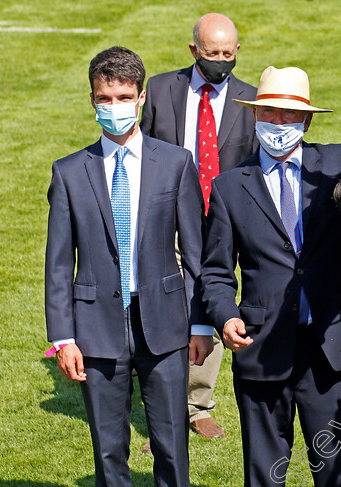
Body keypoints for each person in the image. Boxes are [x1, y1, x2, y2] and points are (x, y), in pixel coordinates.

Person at [44, 46, 212, 486]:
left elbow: (195, 254)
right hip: (96, 328)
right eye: (104, 99)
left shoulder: (176, 164)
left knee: (171, 442)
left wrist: (200, 325)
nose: (114, 107)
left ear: (140, 99)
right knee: (108, 447)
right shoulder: (68, 173)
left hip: (165, 324)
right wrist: (63, 338)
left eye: (123, 97)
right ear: (92, 100)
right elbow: (59, 264)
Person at [200, 66, 341, 486]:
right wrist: (224, 316)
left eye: (289, 116)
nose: (278, 123)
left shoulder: (340, 165)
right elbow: (216, 270)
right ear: (254, 117)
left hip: (334, 346)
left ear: (308, 121)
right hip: (262, 348)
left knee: (336, 469)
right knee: (263, 472)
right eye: (270, 114)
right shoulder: (229, 186)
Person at [140, 12, 257, 440]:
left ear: (237, 52)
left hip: (223, 219)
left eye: (228, 54)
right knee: (168, 305)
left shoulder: (251, 99)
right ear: (194, 51)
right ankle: (165, 404)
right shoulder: (160, 90)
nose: (221, 61)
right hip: (167, 217)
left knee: (213, 302)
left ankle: (198, 403)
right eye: (212, 54)